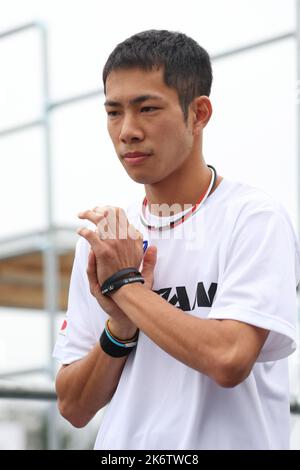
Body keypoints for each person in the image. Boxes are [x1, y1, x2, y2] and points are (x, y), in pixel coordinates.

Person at [53, 29, 300, 450]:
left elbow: (228, 359)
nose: (127, 130)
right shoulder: (109, 240)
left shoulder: (253, 218)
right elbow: (73, 406)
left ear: (199, 113)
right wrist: (120, 328)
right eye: (113, 112)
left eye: (147, 108)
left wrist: (125, 287)